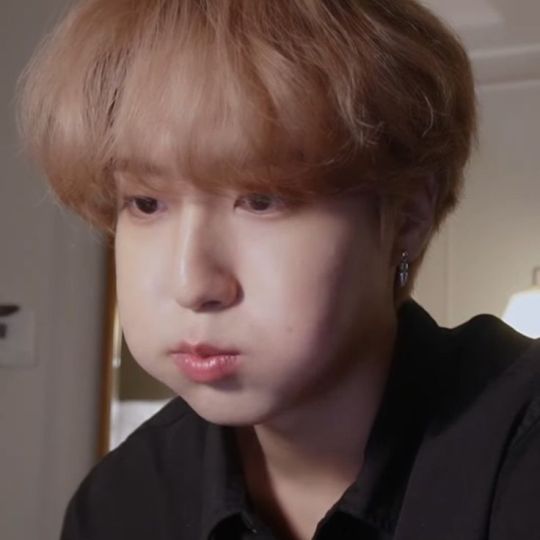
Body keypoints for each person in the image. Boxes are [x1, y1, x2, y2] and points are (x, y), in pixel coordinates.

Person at [17, 1, 540, 539]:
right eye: (146, 203)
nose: (192, 284)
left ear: (407, 214)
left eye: (261, 200)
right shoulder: (117, 505)